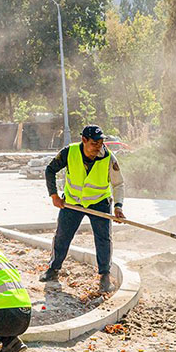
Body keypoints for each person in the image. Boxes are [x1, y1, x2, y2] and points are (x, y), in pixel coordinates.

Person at [40, 125, 125, 293]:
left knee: (103, 239)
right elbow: (50, 170)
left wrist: (118, 206)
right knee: (62, 236)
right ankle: (53, 269)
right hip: (73, 202)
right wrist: (54, 195)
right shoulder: (69, 152)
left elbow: (118, 184)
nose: (99, 147)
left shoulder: (108, 158)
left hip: (99, 202)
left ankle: (104, 276)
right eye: (94, 143)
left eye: (101, 142)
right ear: (84, 140)